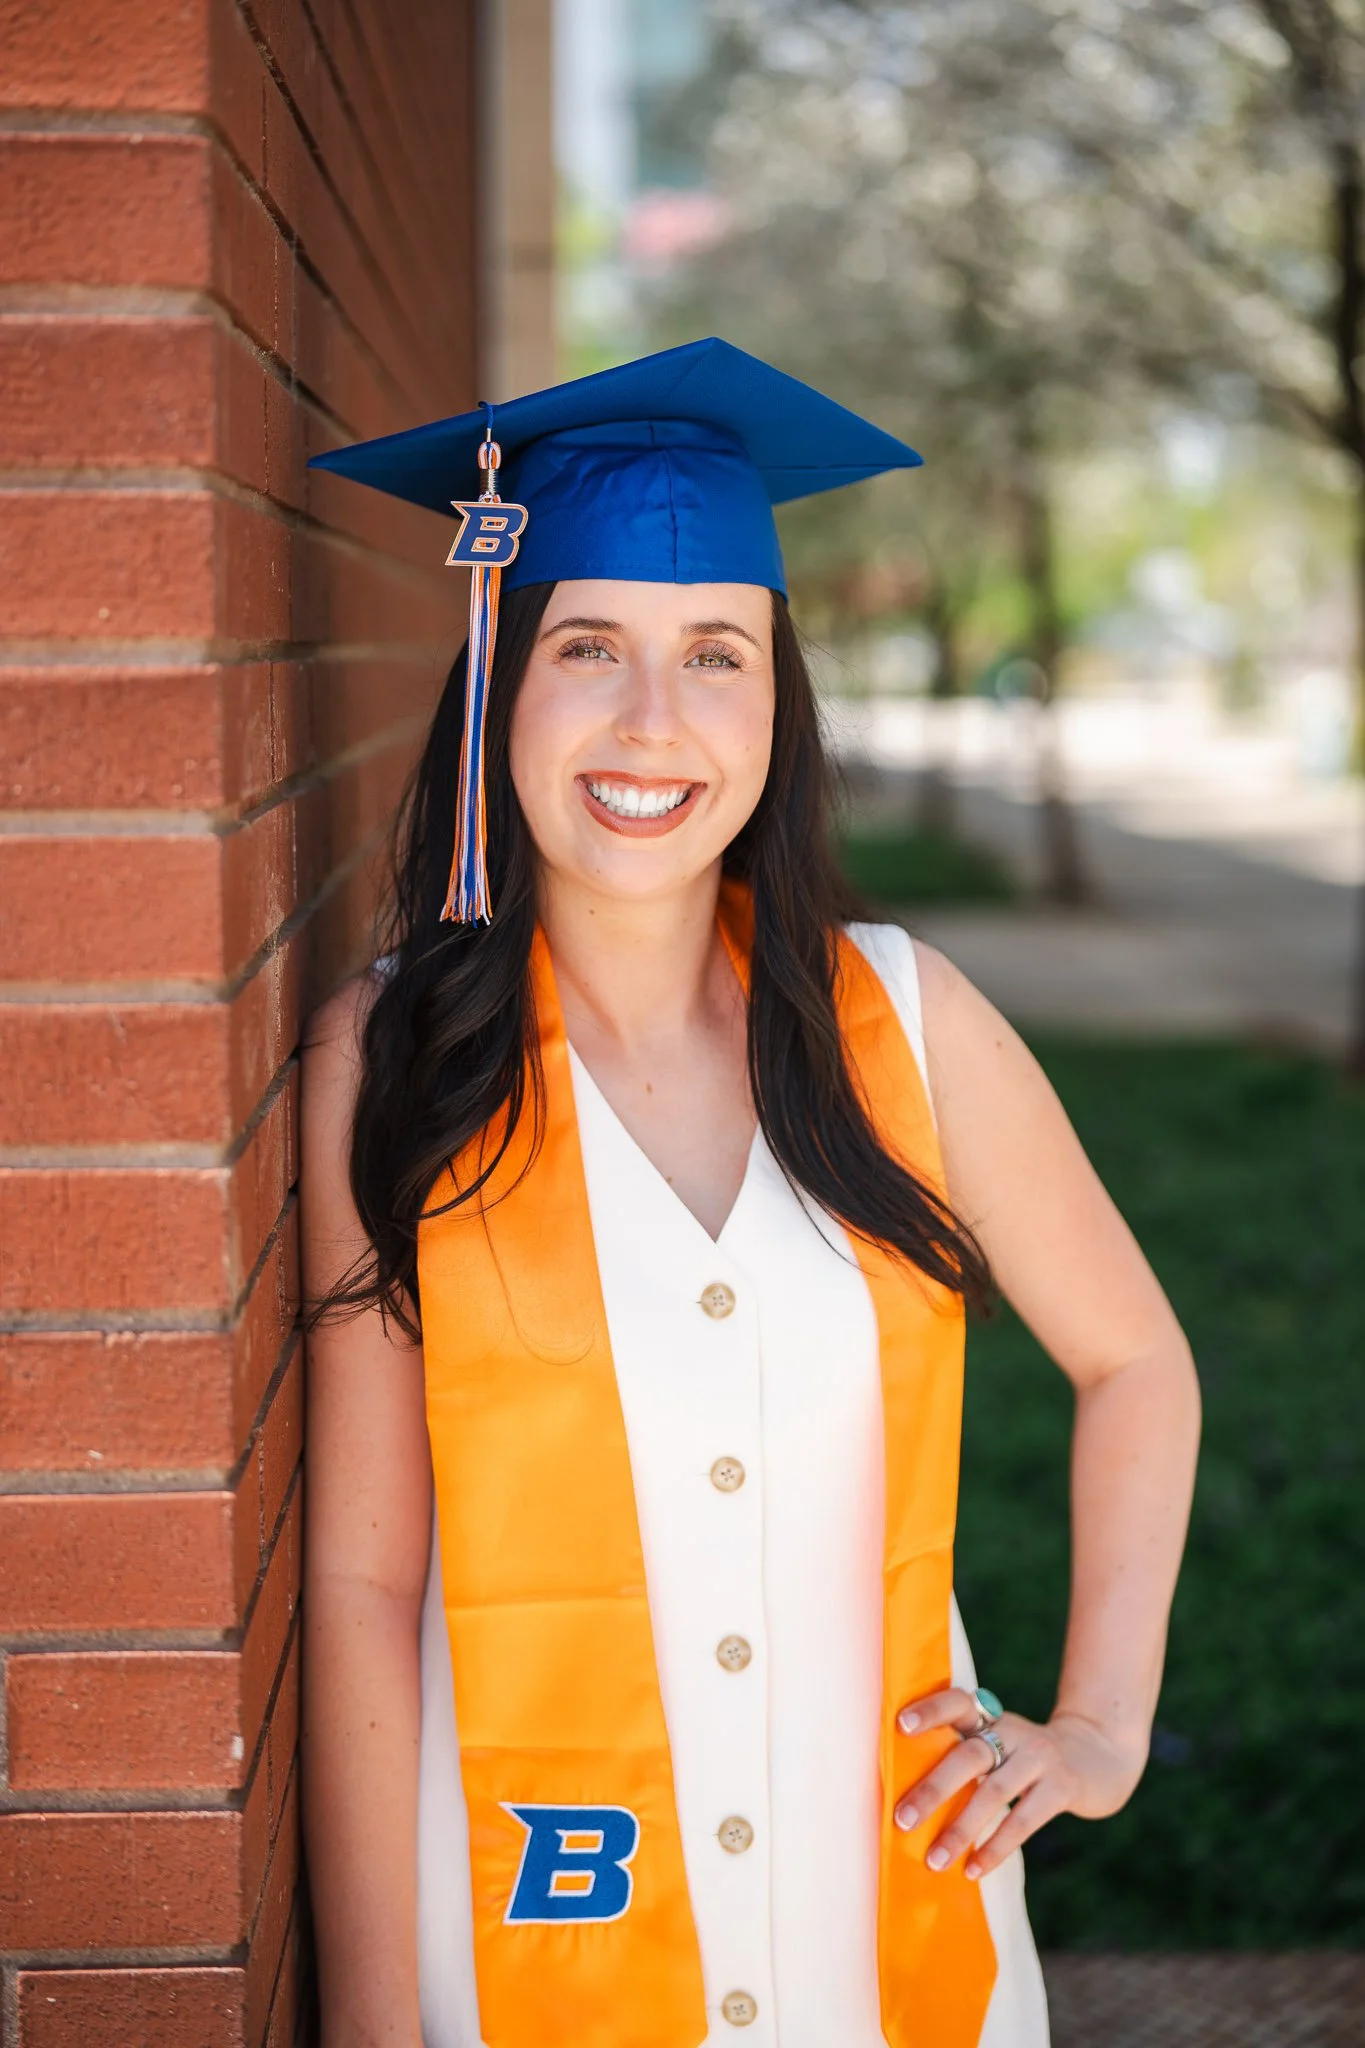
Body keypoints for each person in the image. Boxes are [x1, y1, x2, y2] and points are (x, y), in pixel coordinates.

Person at [299, 338, 1200, 2048]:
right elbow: (360, 1580)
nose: (655, 721)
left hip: (891, 1924)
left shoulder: (908, 1027)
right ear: (500, 682)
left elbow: (1139, 1363)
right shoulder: (396, 1061)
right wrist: (369, 2019)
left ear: (778, 700)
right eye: (588, 649)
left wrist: (1100, 1727)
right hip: (519, 1919)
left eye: (717, 653)